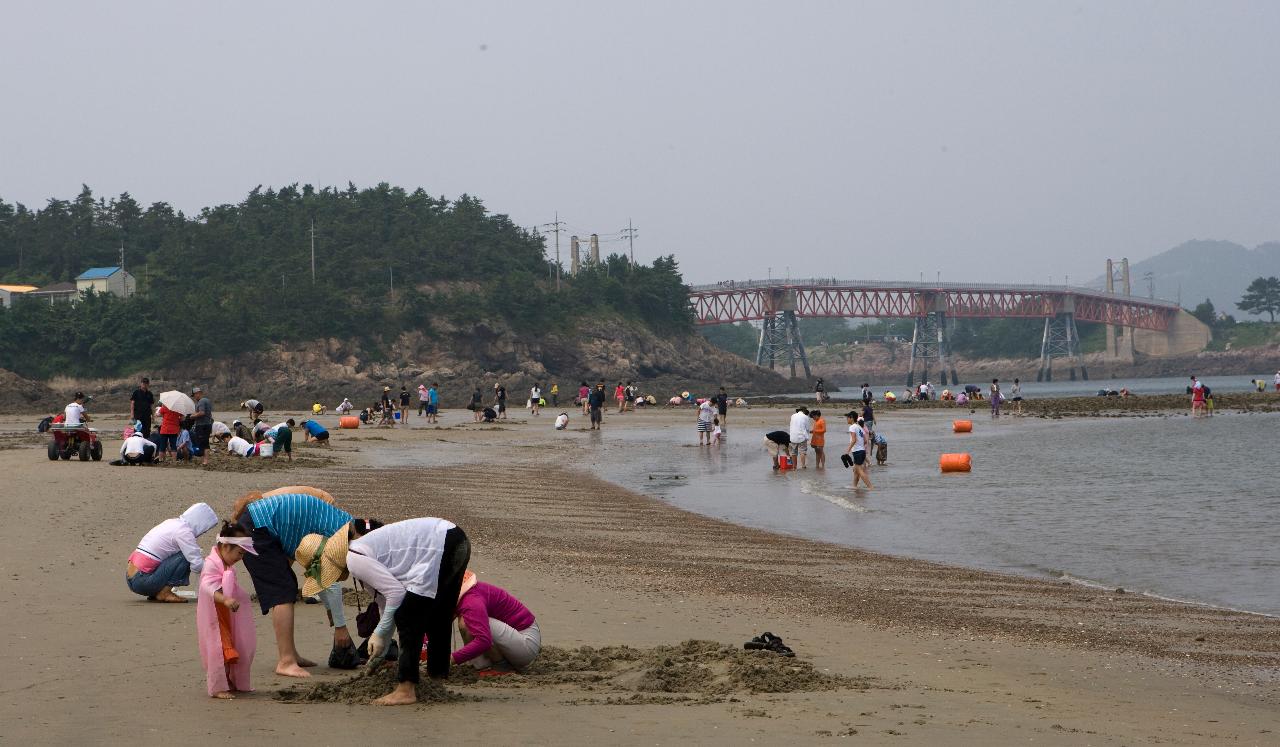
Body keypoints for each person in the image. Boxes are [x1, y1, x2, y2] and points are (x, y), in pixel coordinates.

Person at [305, 516, 470, 705]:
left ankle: (406, 689)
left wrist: (379, 633)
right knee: (438, 614)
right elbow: (385, 603)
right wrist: (381, 647)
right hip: (455, 537)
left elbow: (397, 595)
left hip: (437, 546)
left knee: (408, 617)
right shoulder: (363, 549)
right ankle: (437, 677)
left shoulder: (354, 558)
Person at [229, 489, 362, 677]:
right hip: (257, 530)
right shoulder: (338, 536)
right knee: (282, 593)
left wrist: (334, 616)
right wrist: (340, 627)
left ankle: (291, 655)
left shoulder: (342, 523)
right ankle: (286, 661)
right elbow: (326, 578)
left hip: (262, 525)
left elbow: (318, 574)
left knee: (288, 586)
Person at [197, 523, 257, 698]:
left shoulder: (226, 565)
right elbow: (207, 586)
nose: (241, 557)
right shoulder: (211, 564)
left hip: (225, 613)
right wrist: (226, 599)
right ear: (225, 547)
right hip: (215, 616)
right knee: (219, 647)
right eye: (240, 553)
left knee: (233, 645)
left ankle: (230, 680)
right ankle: (218, 687)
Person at [126, 502, 220, 602]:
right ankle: (164, 593)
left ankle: (157, 591)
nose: (203, 532)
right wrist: (216, 571)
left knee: (184, 553)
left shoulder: (172, 522)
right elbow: (196, 564)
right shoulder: (184, 532)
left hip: (131, 578)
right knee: (185, 556)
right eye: (205, 529)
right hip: (141, 581)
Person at [453, 574, 540, 673]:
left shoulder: (472, 601)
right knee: (468, 621)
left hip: (527, 644)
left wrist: (452, 659)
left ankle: (501, 666)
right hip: (515, 639)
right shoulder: (465, 592)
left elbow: (483, 641)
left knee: (468, 623)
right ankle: (482, 666)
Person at [844, 412, 873, 490]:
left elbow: (853, 440)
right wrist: (860, 446)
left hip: (857, 452)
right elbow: (865, 440)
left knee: (859, 470)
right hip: (862, 451)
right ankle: (854, 486)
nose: (846, 419)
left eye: (847, 418)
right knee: (856, 471)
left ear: (852, 418)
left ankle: (870, 487)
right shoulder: (859, 427)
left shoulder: (852, 427)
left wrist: (847, 451)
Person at [191, 386, 213, 466]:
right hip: (207, 424)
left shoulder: (201, 401)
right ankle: (205, 459)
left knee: (203, 443)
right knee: (204, 442)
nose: (194, 397)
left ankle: (205, 460)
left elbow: (202, 412)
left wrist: (192, 416)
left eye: (194, 395)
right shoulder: (207, 400)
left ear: (198, 393)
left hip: (202, 425)